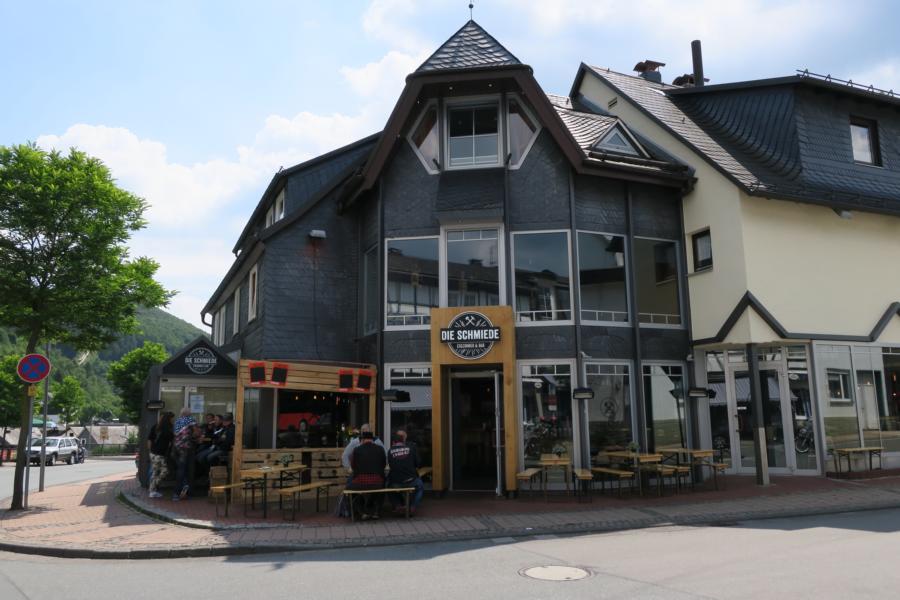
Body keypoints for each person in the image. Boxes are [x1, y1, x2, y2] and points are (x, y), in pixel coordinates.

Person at [348, 431, 386, 520]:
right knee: (382, 487)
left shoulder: (356, 450)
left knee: (349, 489)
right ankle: (376, 511)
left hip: (360, 482)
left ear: (362, 440)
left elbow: (353, 466)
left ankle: (362, 512)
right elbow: (384, 464)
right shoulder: (380, 449)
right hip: (377, 482)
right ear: (372, 440)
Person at [387, 430, 424, 514]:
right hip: (411, 480)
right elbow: (418, 463)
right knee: (420, 487)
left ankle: (398, 506)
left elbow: (391, 465)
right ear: (404, 440)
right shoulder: (411, 449)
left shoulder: (390, 451)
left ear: (393, 442)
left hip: (396, 482)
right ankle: (413, 507)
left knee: (388, 487)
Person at [172, 407, 199, 500]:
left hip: (176, 448)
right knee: (189, 470)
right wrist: (196, 436)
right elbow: (196, 433)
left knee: (180, 470)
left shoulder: (177, 421)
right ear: (188, 414)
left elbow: (175, 434)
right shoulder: (191, 420)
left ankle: (176, 494)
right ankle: (189, 492)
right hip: (187, 448)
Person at [148, 412, 174, 499]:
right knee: (164, 471)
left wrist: (150, 451)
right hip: (159, 454)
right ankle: (152, 489)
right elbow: (172, 440)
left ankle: (152, 489)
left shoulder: (156, 427)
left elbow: (150, 439)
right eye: (171, 419)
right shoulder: (168, 431)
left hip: (153, 453)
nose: (173, 421)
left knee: (155, 472)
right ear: (168, 420)